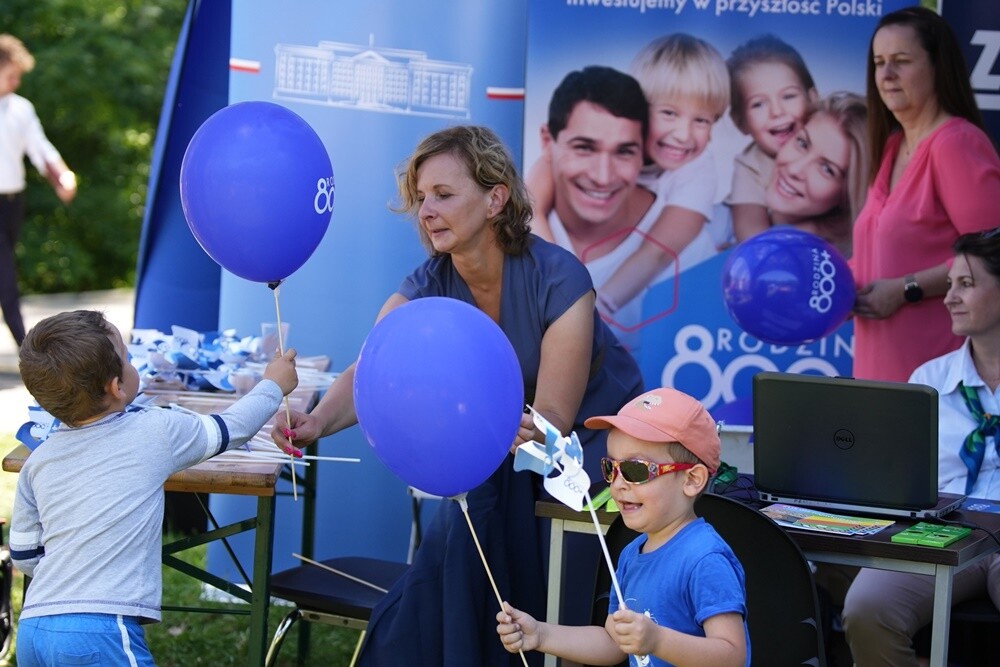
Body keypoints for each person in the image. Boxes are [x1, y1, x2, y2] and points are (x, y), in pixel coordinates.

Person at [272, 125, 644, 666]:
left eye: (444, 195)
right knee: (458, 547)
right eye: (422, 198)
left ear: (496, 199)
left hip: (589, 453)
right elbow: (374, 367)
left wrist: (527, 431)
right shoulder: (427, 284)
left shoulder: (560, 276)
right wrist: (317, 421)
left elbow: (554, 418)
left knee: (556, 583)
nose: (426, 211)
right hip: (502, 451)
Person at [9, 309, 299, 666]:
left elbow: (24, 555)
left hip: (34, 628)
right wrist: (273, 384)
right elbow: (234, 427)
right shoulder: (153, 430)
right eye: (128, 358)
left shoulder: (38, 460)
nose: (133, 364)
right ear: (116, 387)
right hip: (101, 631)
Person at [496, 388, 749, 667]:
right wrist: (541, 635)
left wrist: (658, 641)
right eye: (611, 468)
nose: (617, 484)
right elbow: (614, 643)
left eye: (636, 470)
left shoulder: (705, 558)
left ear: (692, 480)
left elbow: (732, 656)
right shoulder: (632, 554)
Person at [842, 227, 1000, 666]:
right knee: (867, 609)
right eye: (950, 284)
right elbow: (902, 484)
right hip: (945, 532)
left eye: (966, 284)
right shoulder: (929, 380)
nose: (950, 298)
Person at [850, 5, 1000, 383]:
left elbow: (991, 253)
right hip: (879, 374)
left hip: (938, 378)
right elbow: (873, 260)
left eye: (901, 61)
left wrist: (907, 290)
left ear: (937, 67)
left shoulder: (956, 143)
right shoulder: (893, 146)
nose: (887, 74)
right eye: (879, 63)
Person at [526, 63, 722, 350]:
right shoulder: (512, 226)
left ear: (644, 151)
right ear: (547, 142)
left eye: (624, 152)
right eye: (584, 148)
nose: (603, 176)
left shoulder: (691, 252)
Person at [0, 34, 77, 348]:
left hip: (12, 204)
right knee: (5, 276)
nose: (16, 82)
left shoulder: (21, 108)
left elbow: (40, 149)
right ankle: (28, 349)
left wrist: (63, 176)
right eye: (11, 75)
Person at [725, 35, 818, 246]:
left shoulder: (833, 139)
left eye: (789, 96)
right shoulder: (751, 164)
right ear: (740, 122)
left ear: (812, 100)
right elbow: (751, 234)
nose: (777, 111)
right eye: (758, 104)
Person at [758, 91, 869, 257]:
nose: (795, 169)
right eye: (802, 143)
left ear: (846, 197)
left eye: (827, 169)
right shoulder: (729, 217)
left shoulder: (824, 263)